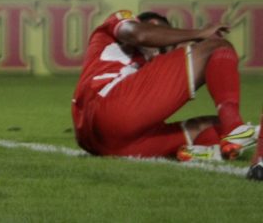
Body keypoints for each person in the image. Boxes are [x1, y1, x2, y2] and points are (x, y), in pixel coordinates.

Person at [72, 10, 257, 161]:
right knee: (218, 46)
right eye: (163, 44)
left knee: (217, 125)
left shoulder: (150, 67)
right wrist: (199, 33)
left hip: (103, 143)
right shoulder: (115, 28)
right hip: (109, 107)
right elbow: (140, 34)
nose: (161, 50)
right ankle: (235, 128)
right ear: (148, 23)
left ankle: (206, 152)